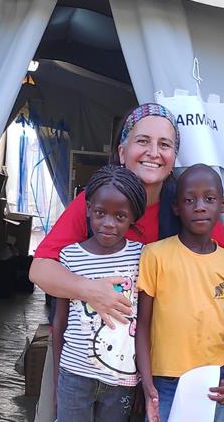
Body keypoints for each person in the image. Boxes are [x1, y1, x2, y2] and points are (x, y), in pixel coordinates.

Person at [30, 103, 224, 342]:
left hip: (160, 353)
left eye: (164, 144)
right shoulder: (95, 201)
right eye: (142, 141)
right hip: (89, 351)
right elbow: (40, 268)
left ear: (173, 158)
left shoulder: (185, 207)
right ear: (122, 152)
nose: (153, 152)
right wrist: (87, 289)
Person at [136, 164, 224, 422]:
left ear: (222, 204)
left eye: (209, 199)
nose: (199, 207)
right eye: (189, 200)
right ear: (176, 207)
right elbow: (142, 324)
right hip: (164, 381)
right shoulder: (155, 255)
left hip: (214, 379)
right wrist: (146, 382)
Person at [52, 165, 147, 422]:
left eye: (120, 216)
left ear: (133, 217)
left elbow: (146, 322)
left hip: (122, 378)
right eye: (100, 213)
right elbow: (60, 321)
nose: (108, 223)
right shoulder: (69, 256)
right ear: (88, 209)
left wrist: (143, 379)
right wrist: (56, 378)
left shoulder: (142, 256)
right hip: (74, 374)